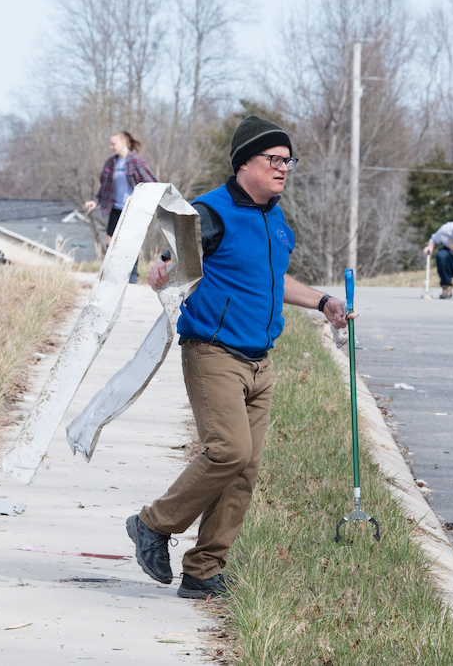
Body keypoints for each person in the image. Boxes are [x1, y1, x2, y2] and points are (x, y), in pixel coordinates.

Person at [126, 115, 356, 600]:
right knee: (228, 450)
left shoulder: (275, 219)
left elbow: (273, 282)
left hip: (260, 361)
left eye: (288, 160)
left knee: (245, 469)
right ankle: (153, 523)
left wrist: (322, 301)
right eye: (274, 159)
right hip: (214, 353)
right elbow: (177, 257)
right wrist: (162, 268)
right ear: (243, 164)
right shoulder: (211, 212)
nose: (284, 168)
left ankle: (204, 570)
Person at [84, 130, 157, 282]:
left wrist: (146, 200)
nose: (111, 147)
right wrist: (95, 201)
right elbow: (104, 187)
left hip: (132, 209)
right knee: (111, 242)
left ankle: (132, 275)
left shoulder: (136, 161)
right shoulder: (111, 163)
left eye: (113, 144)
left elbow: (152, 183)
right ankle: (112, 274)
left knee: (130, 242)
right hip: (115, 208)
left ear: (123, 142)